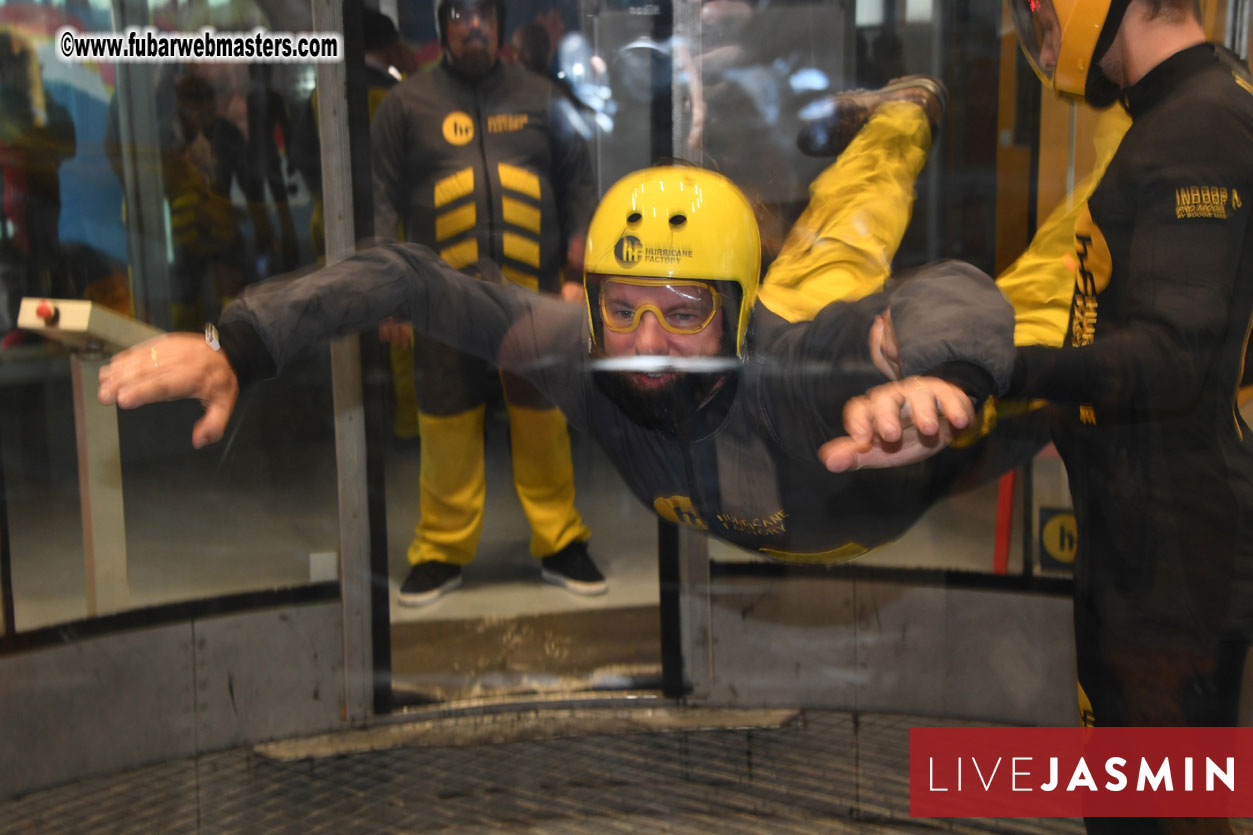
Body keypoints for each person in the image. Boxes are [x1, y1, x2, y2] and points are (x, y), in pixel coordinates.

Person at [97, 80, 1035, 569]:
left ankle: (902, 121)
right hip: (781, 306)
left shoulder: (800, 368)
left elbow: (945, 291)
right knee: (836, 238)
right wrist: (237, 342)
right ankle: (900, 117)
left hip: (904, 393)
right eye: (621, 309)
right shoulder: (576, 352)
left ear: (736, 313)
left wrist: (943, 376)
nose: (647, 343)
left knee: (924, 266)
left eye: (682, 312)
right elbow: (406, 278)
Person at [844, 4, 1253, 832]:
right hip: (1141, 527)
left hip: (1174, 555)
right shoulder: (1174, 111)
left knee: (1158, 814)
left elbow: (1169, 355)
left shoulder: (1199, 125)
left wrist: (1003, 368)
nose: (1037, 19)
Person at [369, 0, 604, 606]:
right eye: (459, 12)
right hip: (442, 300)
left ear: (498, 24)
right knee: (444, 422)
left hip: (534, 300)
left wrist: (576, 272)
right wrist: (388, 291)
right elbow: (382, 200)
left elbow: (579, 183)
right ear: (442, 25)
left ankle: (561, 541)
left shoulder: (542, 96)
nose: (473, 24)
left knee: (543, 420)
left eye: (484, 13)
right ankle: (440, 550)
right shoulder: (405, 105)